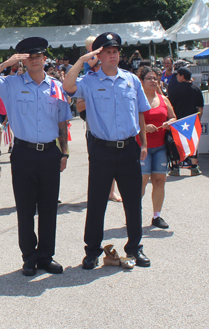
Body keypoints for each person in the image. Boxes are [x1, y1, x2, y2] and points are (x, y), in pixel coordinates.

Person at [0, 37, 72, 276]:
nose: (35, 60)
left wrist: (64, 152)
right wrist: (5, 63)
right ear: (23, 61)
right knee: (26, 208)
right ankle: (29, 256)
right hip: (24, 152)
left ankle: (46, 256)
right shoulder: (11, 83)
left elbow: (62, 121)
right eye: (29, 57)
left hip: (50, 152)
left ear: (45, 58)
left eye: (38, 56)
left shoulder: (56, 86)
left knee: (49, 207)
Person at [63, 32, 151, 270]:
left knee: (133, 202)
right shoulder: (90, 81)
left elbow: (141, 111)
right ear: (98, 56)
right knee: (97, 202)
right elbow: (68, 87)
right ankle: (92, 251)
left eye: (115, 52)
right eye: (107, 52)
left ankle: (135, 248)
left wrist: (143, 142)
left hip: (128, 148)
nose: (113, 56)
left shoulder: (131, 80)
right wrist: (82, 61)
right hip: (102, 149)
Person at [139, 67, 177, 229]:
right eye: (149, 78)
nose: (153, 81)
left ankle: (157, 216)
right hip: (142, 147)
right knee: (141, 184)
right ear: (142, 81)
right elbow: (129, 121)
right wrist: (144, 127)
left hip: (161, 147)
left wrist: (170, 123)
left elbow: (174, 117)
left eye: (155, 78)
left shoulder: (164, 99)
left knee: (160, 182)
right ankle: (135, 215)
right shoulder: (137, 100)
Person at [167, 67, 204, 176]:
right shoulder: (196, 89)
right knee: (192, 144)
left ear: (182, 76)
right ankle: (194, 168)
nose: (177, 77)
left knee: (176, 144)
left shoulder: (174, 89)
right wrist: (198, 120)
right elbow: (200, 108)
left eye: (178, 75)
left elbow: (170, 107)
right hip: (191, 121)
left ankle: (175, 168)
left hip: (177, 122)